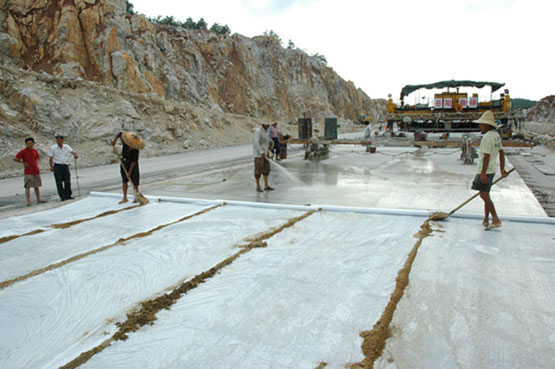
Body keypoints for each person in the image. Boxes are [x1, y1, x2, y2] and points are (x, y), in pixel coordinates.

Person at [471, 111, 508, 230]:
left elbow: (486, 156)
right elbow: (501, 152)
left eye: (482, 124)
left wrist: (482, 173)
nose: (480, 126)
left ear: (487, 125)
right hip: (491, 170)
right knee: (486, 194)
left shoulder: (487, 138)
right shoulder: (496, 135)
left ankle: (495, 219)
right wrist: (502, 168)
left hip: (485, 171)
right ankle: (486, 219)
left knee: (484, 195)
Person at [111, 131, 143, 204]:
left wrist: (129, 172)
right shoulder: (126, 143)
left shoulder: (136, 150)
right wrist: (114, 141)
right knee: (124, 181)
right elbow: (120, 133)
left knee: (135, 182)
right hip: (124, 163)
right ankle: (125, 197)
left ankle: (136, 197)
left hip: (133, 166)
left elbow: (134, 162)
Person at [13, 137, 45, 206]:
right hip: (28, 171)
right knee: (28, 186)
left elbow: (37, 158)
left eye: (31, 143)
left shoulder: (35, 151)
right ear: (26, 144)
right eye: (28, 144)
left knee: (37, 186)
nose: (30, 145)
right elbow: (15, 158)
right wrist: (23, 162)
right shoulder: (23, 151)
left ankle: (38, 199)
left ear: (33, 144)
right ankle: (28, 201)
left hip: (36, 170)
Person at [48, 135, 78, 201]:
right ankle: (62, 196)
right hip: (57, 166)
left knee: (67, 181)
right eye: (57, 140)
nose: (58, 142)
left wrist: (75, 154)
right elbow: (51, 158)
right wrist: (51, 166)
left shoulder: (66, 147)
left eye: (60, 140)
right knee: (59, 182)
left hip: (65, 165)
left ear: (62, 140)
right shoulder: (53, 148)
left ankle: (68, 195)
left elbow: (73, 152)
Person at [253, 122, 274, 192]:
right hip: (259, 155)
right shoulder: (258, 131)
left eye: (269, 124)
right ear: (263, 124)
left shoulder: (266, 131)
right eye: (267, 124)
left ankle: (266, 186)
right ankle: (258, 186)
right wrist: (261, 151)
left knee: (266, 169)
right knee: (258, 171)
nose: (268, 126)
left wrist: (269, 146)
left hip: (265, 153)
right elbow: (256, 142)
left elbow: (264, 141)